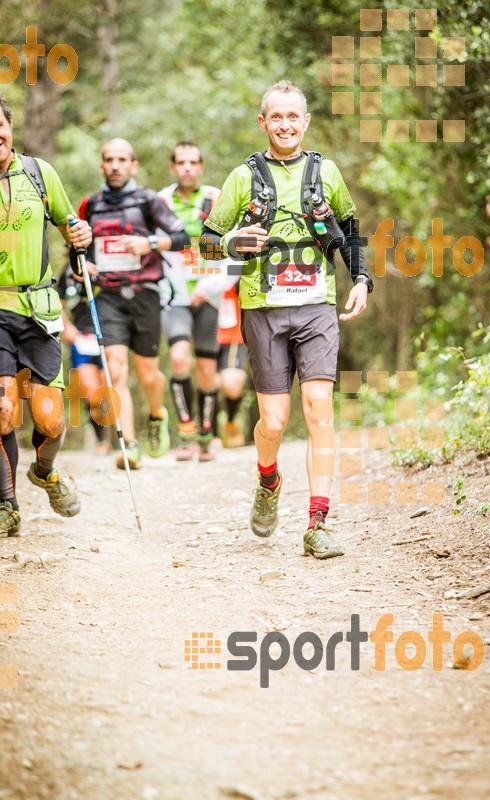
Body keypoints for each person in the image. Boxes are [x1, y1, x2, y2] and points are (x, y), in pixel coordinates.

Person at [200, 80, 373, 560]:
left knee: (320, 411)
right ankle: (268, 478)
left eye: (293, 116)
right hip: (262, 308)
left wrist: (361, 279)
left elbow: (351, 230)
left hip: (317, 305)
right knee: (273, 422)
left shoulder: (326, 172)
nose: (285, 125)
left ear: (306, 121)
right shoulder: (243, 177)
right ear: (263, 122)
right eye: (276, 117)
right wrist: (234, 243)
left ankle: (317, 523)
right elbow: (206, 241)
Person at [0, 95, 92, 537]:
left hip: (38, 309)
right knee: (2, 411)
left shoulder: (38, 173)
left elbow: (70, 226)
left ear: (10, 126)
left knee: (52, 418)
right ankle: (7, 503)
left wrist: (81, 234)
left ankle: (45, 471)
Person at [81, 138, 190, 470]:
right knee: (114, 369)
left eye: (122, 159)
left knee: (148, 373)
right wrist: (81, 264)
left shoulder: (148, 201)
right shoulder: (91, 205)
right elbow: (79, 249)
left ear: (133, 165)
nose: (115, 165)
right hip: (109, 297)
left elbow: (183, 237)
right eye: (109, 160)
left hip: (145, 295)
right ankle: (127, 443)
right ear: (102, 166)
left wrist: (150, 243)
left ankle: (156, 414)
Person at [158, 142, 238, 462]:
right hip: (174, 296)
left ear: (201, 167)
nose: (187, 167)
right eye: (181, 162)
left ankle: (207, 431)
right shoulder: (161, 201)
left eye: (193, 162)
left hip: (210, 295)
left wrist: (210, 286)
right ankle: (186, 431)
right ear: (172, 167)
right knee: (179, 359)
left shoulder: (215, 198)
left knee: (206, 369)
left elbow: (236, 250)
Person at [58, 264, 109, 453]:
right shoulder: (66, 273)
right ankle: (102, 439)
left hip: (109, 336)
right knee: (91, 393)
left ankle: (122, 439)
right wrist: (66, 326)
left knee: (110, 389)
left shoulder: (109, 265)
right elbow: (59, 304)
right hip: (82, 339)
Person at [217, 283, 247, 448]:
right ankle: (209, 433)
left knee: (231, 383)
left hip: (232, 336)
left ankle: (231, 421)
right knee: (209, 382)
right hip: (204, 333)